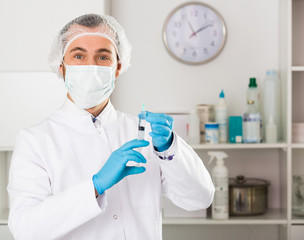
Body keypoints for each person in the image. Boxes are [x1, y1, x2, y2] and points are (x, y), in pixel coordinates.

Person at [7, 14, 214, 240]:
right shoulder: (36, 140)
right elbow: (25, 229)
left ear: (118, 67)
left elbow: (200, 199)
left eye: (103, 57)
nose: (91, 66)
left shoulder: (146, 134)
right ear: (62, 67)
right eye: (78, 55)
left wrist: (169, 149)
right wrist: (94, 186)